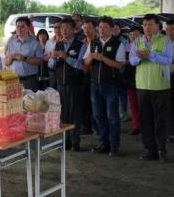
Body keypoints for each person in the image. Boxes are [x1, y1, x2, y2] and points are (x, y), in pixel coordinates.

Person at [129, 14, 172, 161]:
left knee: (161, 120)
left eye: (150, 24)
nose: (147, 27)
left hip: (160, 86)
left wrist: (150, 55)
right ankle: (150, 150)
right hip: (142, 86)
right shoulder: (137, 42)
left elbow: (167, 60)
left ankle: (162, 150)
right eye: (145, 25)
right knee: (145, 120)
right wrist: (139, 57)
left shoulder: (165, 40)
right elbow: (132, 61)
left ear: (158, 26)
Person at [85, 16, 126, 155]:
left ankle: (115, 145)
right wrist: (90, 58)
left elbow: (119, 64)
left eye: (105, 27)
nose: (101, 30)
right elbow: (85, 62)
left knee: (112, 116)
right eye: (100, 28)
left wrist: (103, 58)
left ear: (111, 29)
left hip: (111, 85)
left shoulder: (118, 44)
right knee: (98, 115)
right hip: (95, 85)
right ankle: (104, 143)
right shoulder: (93, 43)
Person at [52, 17, 87, 151]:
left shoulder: (80, 45)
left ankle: (76, 142)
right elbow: (52, 65)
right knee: (63, 114)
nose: (64, 30)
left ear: (74, 29)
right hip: (61, 84)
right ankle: (65, 142)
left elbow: (81, 66)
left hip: (75, 85)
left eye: (67, 28)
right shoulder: (58, 44)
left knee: (75, 114)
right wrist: (53, 59)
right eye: (62, 28)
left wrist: (66, 57)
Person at [5, 16, 44, 92]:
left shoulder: (35, 43)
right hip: (14, 80)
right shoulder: (11, 42)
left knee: (30, 103)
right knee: (15, 103)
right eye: (18, 26)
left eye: (23, 26)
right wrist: (11, 57)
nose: (19, 29)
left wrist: (25, 58)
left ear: (28, 28)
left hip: (30, 80)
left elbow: (40, 61)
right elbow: (6, 63)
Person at [122, 27, 142, 135]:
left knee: (143, 104)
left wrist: (128, 61)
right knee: (133, 104)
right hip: (130, 78)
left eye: (136, 34)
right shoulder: (126, 47)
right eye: (131, 35)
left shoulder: (144, 46)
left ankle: (145, 125)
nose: (133, 36)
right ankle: (136, 126)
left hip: (142, 78)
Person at [44, 20, 61, 89]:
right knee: (52, 91)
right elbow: (44, 58)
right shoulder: (49, 41)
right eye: (55, 27)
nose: (57, 29)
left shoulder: (66, 41)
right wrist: (50, 56)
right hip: (52, 71)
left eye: (59, 27)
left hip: (62, 71)